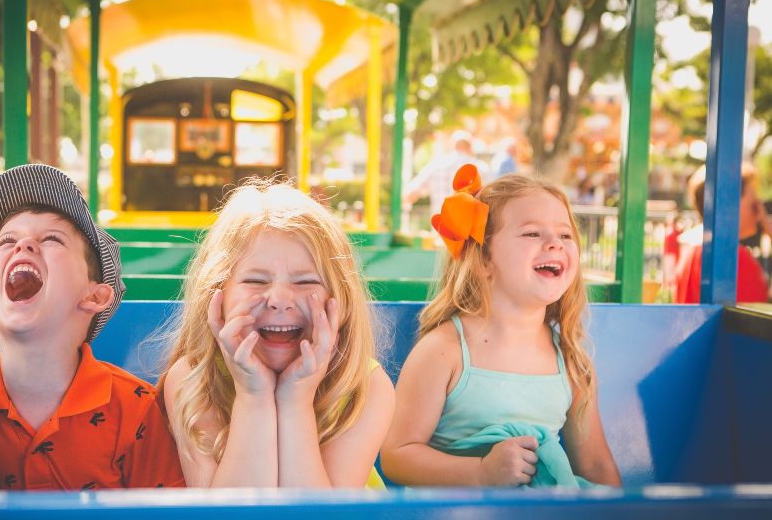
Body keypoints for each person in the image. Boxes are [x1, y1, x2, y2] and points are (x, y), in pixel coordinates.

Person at [0, 163, 185, 490]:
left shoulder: (135, 409)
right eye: (6, 241)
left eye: (52, 239)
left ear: (95, 296)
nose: (23, 245)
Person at [381, 166, 621, 487]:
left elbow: (595, 466)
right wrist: (481, 472)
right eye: (532, 233)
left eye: (565, 235)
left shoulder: (571, 359)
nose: (555, 244)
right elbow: (397, 456)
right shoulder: (444, 351)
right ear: (482, 260)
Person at [159, 179, 394, 488]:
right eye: (255, 281)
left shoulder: (365, 386)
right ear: (216, 299)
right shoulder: (192, 381)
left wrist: (295, 401)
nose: (279, 300)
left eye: (305, 282)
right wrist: (253, 396)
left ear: (341, 301)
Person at [673, 163, 769, 303]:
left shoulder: (693, 251)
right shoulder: (733, 258)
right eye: (754, 205)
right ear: (731, 204)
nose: (760, 214)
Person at [404, 130, 490, 217]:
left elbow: (411, 193)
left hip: (440, 225)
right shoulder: (480, 168)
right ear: (470, 147)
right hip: (468, 226)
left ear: (452, 146)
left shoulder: (435, 165)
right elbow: (490, 198)